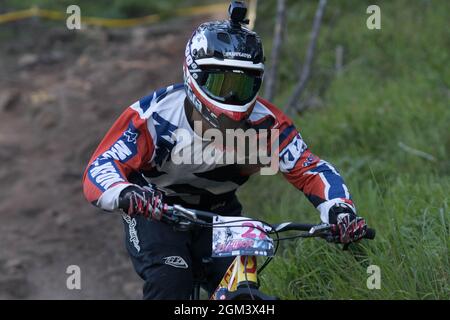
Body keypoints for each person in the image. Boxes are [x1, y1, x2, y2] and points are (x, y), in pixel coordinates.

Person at [82, 2, 367, 300]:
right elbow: (101, 166)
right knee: (171, 281)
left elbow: (310, 170)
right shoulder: (155, 116)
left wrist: (339, 210)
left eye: (242, 85)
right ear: (193, 75)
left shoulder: (266, 124)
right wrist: (127, 194)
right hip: (155, 209)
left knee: (244, 294)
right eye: (220, 82)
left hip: (221, 213)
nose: (231, 96)